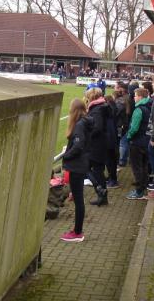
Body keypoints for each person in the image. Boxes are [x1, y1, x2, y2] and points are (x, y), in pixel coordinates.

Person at [60, 99, 93, 242]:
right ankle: (77, 230)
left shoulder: (79, 125)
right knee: (78, 199)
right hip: (80, 164)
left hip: (77, 166)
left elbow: (78, 146)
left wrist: (66, 155)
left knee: (79, 200)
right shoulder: (86, 122)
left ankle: (77, 232)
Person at [125, 88, 152, 200]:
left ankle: (139, 191)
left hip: (137, 142)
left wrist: (128, 136)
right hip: (146, 140)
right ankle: (143, 187)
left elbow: (134, 128)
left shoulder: (138, 110)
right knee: (144, 166)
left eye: (135, 96)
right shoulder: (149, 107)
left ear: (140, 97)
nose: (134, 98)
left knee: (137, 167)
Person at [85, 87, 110, 207]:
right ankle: (102, 194)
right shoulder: (102, 107)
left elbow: (97, 127)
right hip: (100, 144)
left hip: (96, 145)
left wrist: (87, 134)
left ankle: (100, 191)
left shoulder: (96, 110)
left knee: (89, 168)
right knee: (97, 170)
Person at [104, 95, 120, 189]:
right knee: (111, 160)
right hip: (112, 139)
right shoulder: (113, 110)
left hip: (109, 140)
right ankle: (111, 178)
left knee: (110, 161)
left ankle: (113, 180)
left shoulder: (109, 113)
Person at [114, 81, 130, 167]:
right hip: (124, 123)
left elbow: (116, 112)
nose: (114, 89)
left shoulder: (122, 100)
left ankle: (121, 160)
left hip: (122, 124)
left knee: (122, 143)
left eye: (116, 87)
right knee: (124, 142)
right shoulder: (125, 98)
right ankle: (123, 159)